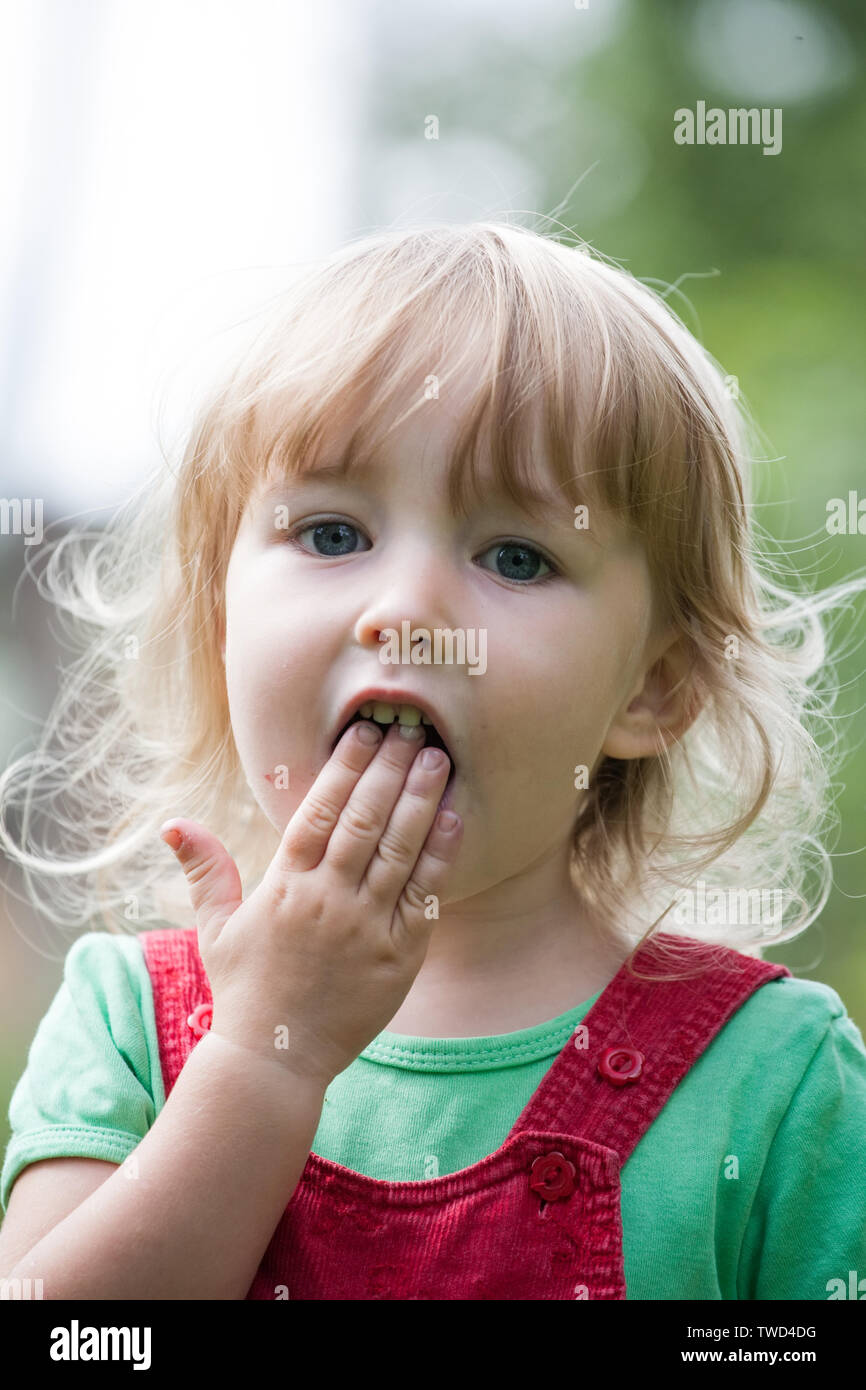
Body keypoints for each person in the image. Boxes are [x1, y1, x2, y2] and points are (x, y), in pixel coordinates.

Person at [1, 220, 865, 1300]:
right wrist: (264, 1062)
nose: (405, 612)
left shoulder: (772, 1081)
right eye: (329, 534)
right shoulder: (130, 1026)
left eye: (515, 555)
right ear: (220, 611)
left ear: (652, 688)